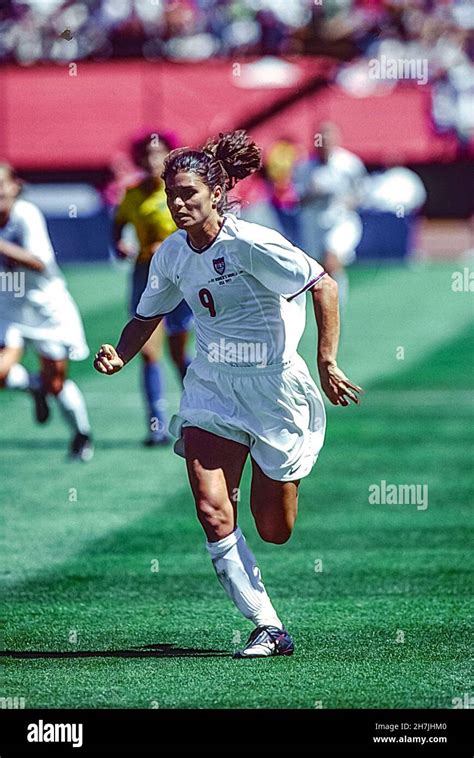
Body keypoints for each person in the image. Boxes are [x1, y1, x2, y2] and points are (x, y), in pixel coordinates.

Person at [94, 130, 362, 658]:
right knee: (213, 510)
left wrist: (326, 361)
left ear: (216, 193)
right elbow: (146, 314)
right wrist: (122, 355)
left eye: (189, 193)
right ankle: (267, 626)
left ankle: (275, 480)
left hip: (275, 389)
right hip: (212, 386)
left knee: (275, 529)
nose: (178, 203)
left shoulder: (252, 243)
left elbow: (323, 284)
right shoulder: (170, 254)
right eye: (172, 194)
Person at [0, 162, 93, 461]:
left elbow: (39, 262)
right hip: (9, 306)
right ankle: (33, 386)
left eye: (2, 183)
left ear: (16, 186)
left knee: (55, 383)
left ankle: (81, 435)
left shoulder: (25, 214)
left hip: (46, 307)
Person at [113, 129, 193, 446]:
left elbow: (195, 230)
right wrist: (118, 242)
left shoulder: (177, 192)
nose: (151, 160)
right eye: (146, 154)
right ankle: (156, 425)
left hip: (179, 277)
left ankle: (200, 413)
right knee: (148, 353)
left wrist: (171, 245)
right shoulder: (132, 194)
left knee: (177, 353)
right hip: (145, 275)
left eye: (157, 154)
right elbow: (118, 222)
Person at [293, 121, 367, 310]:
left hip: (340, 222)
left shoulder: (349, 165)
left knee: (331, 259)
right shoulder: (304, 168)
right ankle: (321, 303)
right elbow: (297, 199)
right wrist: (313, 193)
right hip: (314, 224)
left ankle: (338, 304)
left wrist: (346, 201)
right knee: (315, 269)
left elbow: (361, 193)